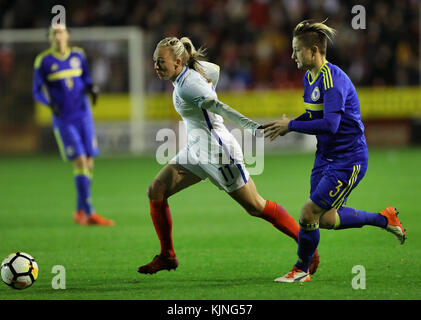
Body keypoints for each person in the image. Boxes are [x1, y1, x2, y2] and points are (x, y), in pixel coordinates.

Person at [137, 37, 319, 275]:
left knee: (256, 206)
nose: (156, 66)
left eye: (161, 62)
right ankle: (167, 256)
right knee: (156, 190)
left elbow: (219, 107)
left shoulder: (187, 85)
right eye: (155, 61)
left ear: (178, 62)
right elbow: (216, 70)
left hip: (218, 152)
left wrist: (252, 127)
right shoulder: (187, 75)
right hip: (196, 148)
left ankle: (309, 248)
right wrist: (199, 70)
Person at [263, 20, 406, 283]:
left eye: (296, 50)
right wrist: (289, 125)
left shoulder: (332, 80)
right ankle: (385, 219)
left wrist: (291, 126)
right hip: (325, 156)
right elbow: (312, 114)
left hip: (348, 158)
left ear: (313, 50)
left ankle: (302, 269)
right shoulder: (309, 77)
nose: (292, 55)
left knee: (308, 213)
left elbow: (331, 124)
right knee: (325, 219)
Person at [32, 23, 114, 226]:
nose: (58, 37)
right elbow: (36, 90)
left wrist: (92, 88)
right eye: (54, 34)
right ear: (50, 38)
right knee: (80, 162)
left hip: (84, 116)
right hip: (65, 120)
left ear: (67, 35)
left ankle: (79, 210)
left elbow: (86, 79)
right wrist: (49, 103)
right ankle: (90, 213)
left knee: (89, 163)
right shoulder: (43, 61)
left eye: (61, 32)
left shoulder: (78, 55)